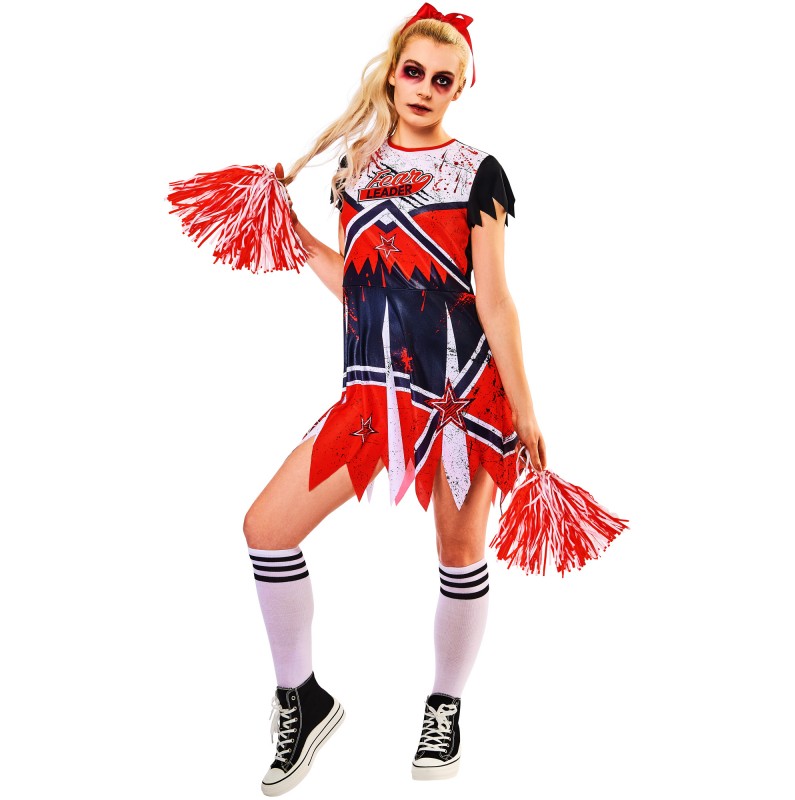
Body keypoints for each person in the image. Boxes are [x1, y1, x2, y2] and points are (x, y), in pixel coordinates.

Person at [243, 3, 546, 795]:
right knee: (267, 530)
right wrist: (290, 229)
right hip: (374, 398)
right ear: (392, 71)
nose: (425, 89)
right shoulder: (355, 166)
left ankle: (445, 705)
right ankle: (303, 698)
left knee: (458, 552)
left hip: (463, 397)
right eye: (414, 71)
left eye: (444, 80)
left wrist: (525, 409)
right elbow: (358, 286)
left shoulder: (479, 172)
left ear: (460, 90)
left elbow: (495, 298)